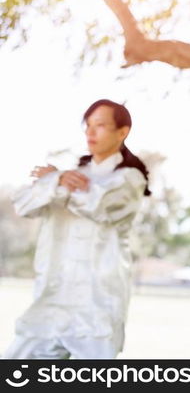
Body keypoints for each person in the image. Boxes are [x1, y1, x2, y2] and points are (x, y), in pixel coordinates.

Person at [3, 99, 151, 359]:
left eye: (100, 125)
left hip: (97, 302)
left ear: (122, 132)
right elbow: (24, 204)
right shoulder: (68, 176)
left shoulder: (128, 179)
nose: (90, 133)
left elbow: (99, 204)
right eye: (88, 126)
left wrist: (54, 182)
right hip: (52, 297)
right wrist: (57, 180)